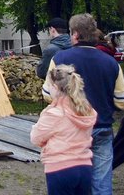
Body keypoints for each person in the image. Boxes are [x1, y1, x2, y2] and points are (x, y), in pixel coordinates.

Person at [43, 14, 124, 195]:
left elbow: (48, 94)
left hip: (71, 129)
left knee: (74, 179)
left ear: (74, 34)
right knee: (102, 183)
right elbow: (122, 102)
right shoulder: (112, 63)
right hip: (102, 127)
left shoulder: (59, 59)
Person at [31, 63, 97, 195]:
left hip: (59, 167)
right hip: (85, 166)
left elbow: (35, 138)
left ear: (55, 87)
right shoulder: (85, 110)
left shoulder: (54, 114)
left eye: (49, 85)